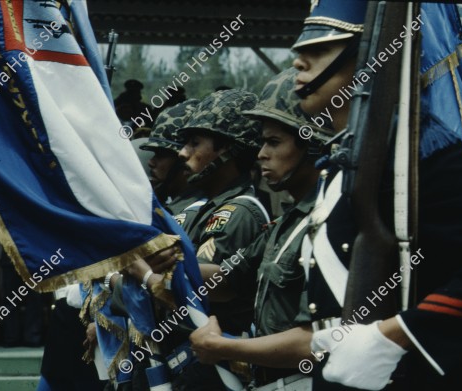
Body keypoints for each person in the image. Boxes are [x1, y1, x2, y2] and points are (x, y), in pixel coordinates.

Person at [289, 1, 462, 389]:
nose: (298, 63)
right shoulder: (340, 162)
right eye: (300, 51)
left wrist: (398, 334)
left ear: (366, 57)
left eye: (318, 50)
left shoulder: (428, 153)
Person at [187, 67, 334, 390]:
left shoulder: (329, 220)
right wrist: (163, 263)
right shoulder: (286, 223)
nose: (261, 154)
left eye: (273, 142)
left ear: (311, 144)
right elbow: (228, 278)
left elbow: (319, 341)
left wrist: (225, 347)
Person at [125, 89, 271, 390]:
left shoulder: (239, 211)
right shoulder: (203, 208)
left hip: (214, 368)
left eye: (195, 143)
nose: (182, 153)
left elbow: (212, 284)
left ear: (227, 150)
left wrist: (152, 270)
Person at [139, 99, 200, 211]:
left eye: (161, 154)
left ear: (184, 158)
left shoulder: (194, 211)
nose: (150, 162)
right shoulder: (168, 203)